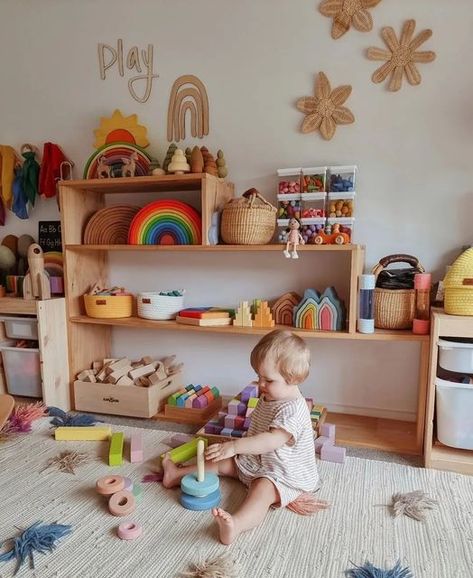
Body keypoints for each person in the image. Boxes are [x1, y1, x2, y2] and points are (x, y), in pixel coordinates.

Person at [162, 329, 322, 545]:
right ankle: (177, 475)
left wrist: (236, 446)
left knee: (261, 490)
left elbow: (270, 440)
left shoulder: (293, 410)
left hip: (282, 473)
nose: (261, 384)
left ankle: (236, 524)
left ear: (292, 379)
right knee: (220, 460)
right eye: (259, 376)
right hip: (257, 461)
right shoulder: (272, 395)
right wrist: (232, 449)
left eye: (269, 380)